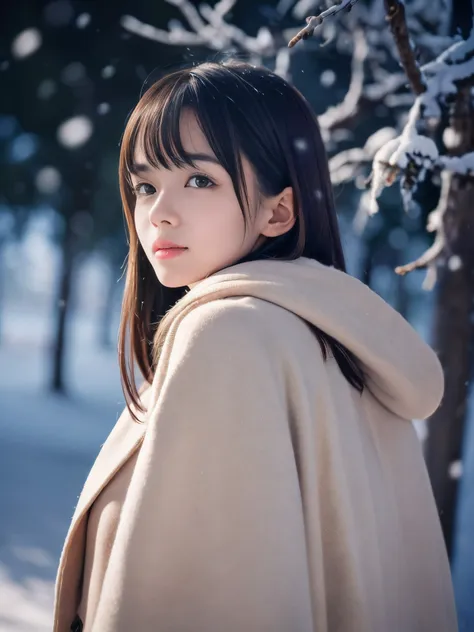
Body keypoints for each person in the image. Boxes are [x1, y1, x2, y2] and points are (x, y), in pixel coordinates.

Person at [53, 59, 458, 632]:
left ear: (279, 210)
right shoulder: (337, 343)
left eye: (198, 180)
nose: (158, 213)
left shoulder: (226, 336)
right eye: (145, 185)